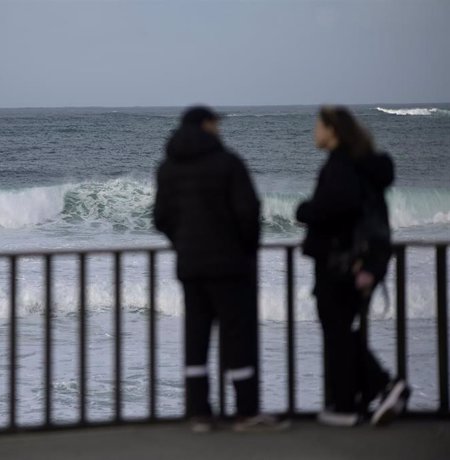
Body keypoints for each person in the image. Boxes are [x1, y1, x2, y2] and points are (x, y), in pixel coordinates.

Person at [154, 106, 286, 432]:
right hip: (230, 266)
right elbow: (248, 213)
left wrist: (183, 243)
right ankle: (245, 412)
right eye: (215, 123)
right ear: (206, 125)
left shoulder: (168, 168)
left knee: (196, 338)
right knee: (237, 337)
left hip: (190, 266)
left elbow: (161, 218)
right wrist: (246, 250)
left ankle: (199, 413)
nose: (218, 128)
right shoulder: (228, 163)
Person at [296, 106, 411, 427]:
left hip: (342, 263)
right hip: (360, 261)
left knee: (338, 331)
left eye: (318, 126)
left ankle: (383, 387)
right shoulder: (356, 164)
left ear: (333, 130)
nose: (314, 132)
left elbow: (338, 207)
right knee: (341, 331)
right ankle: (349, 403)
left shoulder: (341, 165)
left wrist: (306, 210)